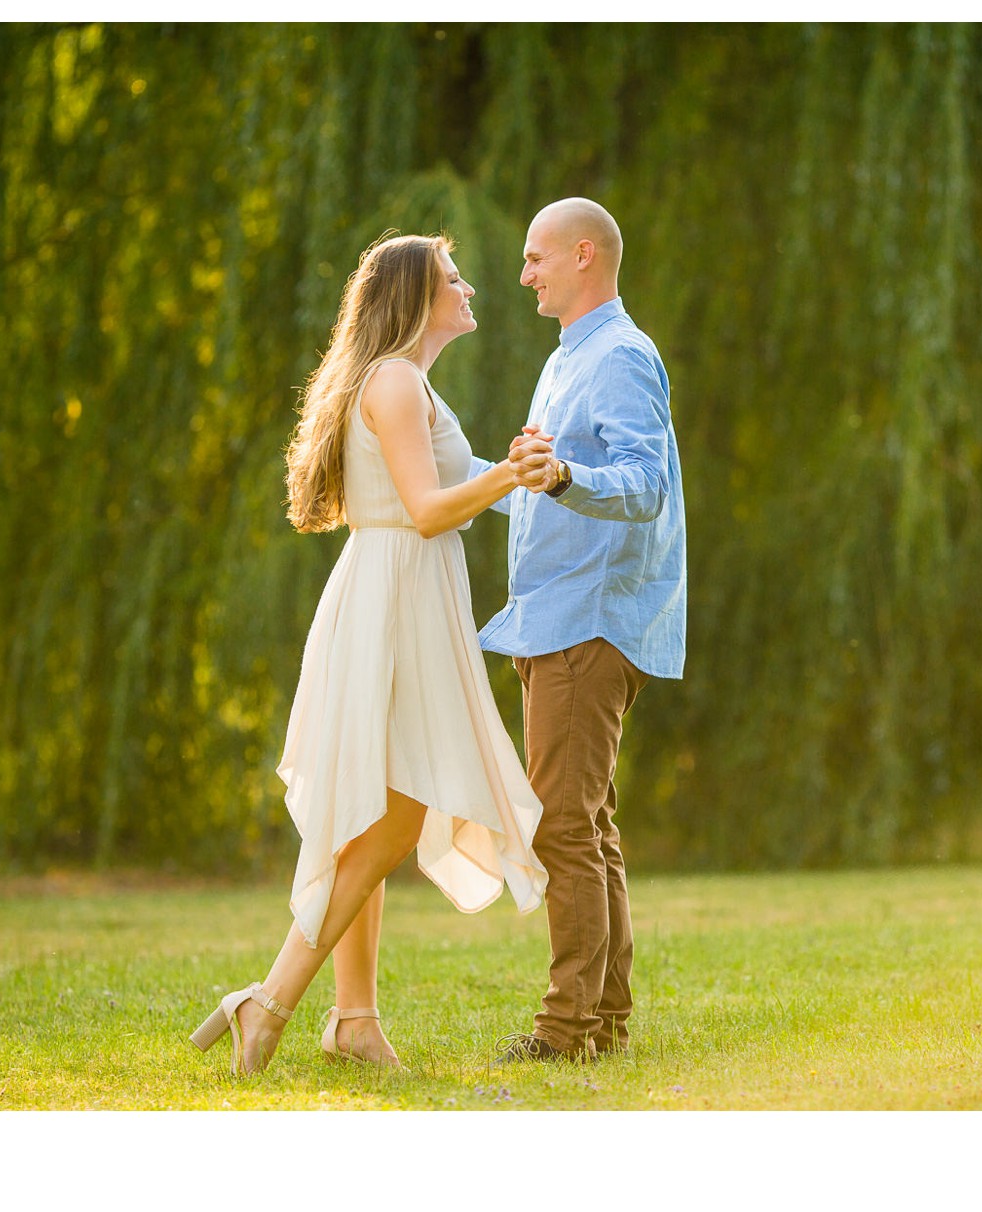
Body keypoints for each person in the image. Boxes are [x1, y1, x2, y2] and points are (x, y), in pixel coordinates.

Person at [189, 233, 546, 1075]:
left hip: (404, 596)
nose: (469, 289)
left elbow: (443, 490)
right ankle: (269, 1003)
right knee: (391, 819)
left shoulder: (405, 380)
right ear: (417, 297)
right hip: (394, 601)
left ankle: (354, 1020)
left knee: (377, 816)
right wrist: (511, 479)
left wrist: (530, 473)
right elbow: (426, 510)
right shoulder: (392, 380)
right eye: (453, 280)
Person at [482, 198, 687, 1062]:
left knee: (562, 822)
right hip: (555, 617)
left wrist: (563, 473)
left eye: (536, 259)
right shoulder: (570, 359)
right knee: (586, 822)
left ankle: (567, 1029)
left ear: (582, 255)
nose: (524, 274)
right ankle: (601, 1018)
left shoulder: (621, 357)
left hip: (590, 621)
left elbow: (643, 484)